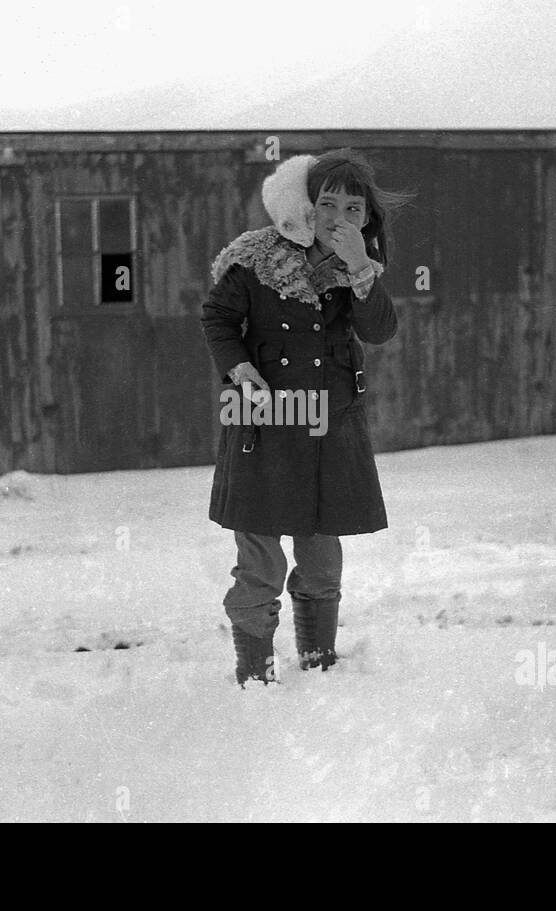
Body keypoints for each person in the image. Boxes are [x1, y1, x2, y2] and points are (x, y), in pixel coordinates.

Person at [200, 148, 412, 686]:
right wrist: (240, 369)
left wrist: (362, 269)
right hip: (264, 425)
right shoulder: (256, 259)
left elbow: (381, 330)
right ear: (305, 205)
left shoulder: (357, 270)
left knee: (321, 557)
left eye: (354, 209)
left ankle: (319, 666)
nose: (339, 218)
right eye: (327, 203)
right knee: (260, 562)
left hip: (329, 430)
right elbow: (218, 318)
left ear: (367, 221)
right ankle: (255, 676)